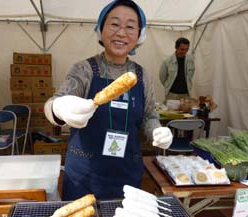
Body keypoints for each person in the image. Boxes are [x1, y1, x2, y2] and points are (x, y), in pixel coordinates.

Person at [44, 0, 172, 201]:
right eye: (114, 24)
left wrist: (156, 129)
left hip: (127, 170)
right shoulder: (84, 69)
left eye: (130, 27)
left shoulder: (142, 75)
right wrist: (59, 109)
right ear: (100, 30)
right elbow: (54, 103)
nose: (121, 33)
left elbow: (149, 116)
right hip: (85, 173)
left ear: (139, 35)